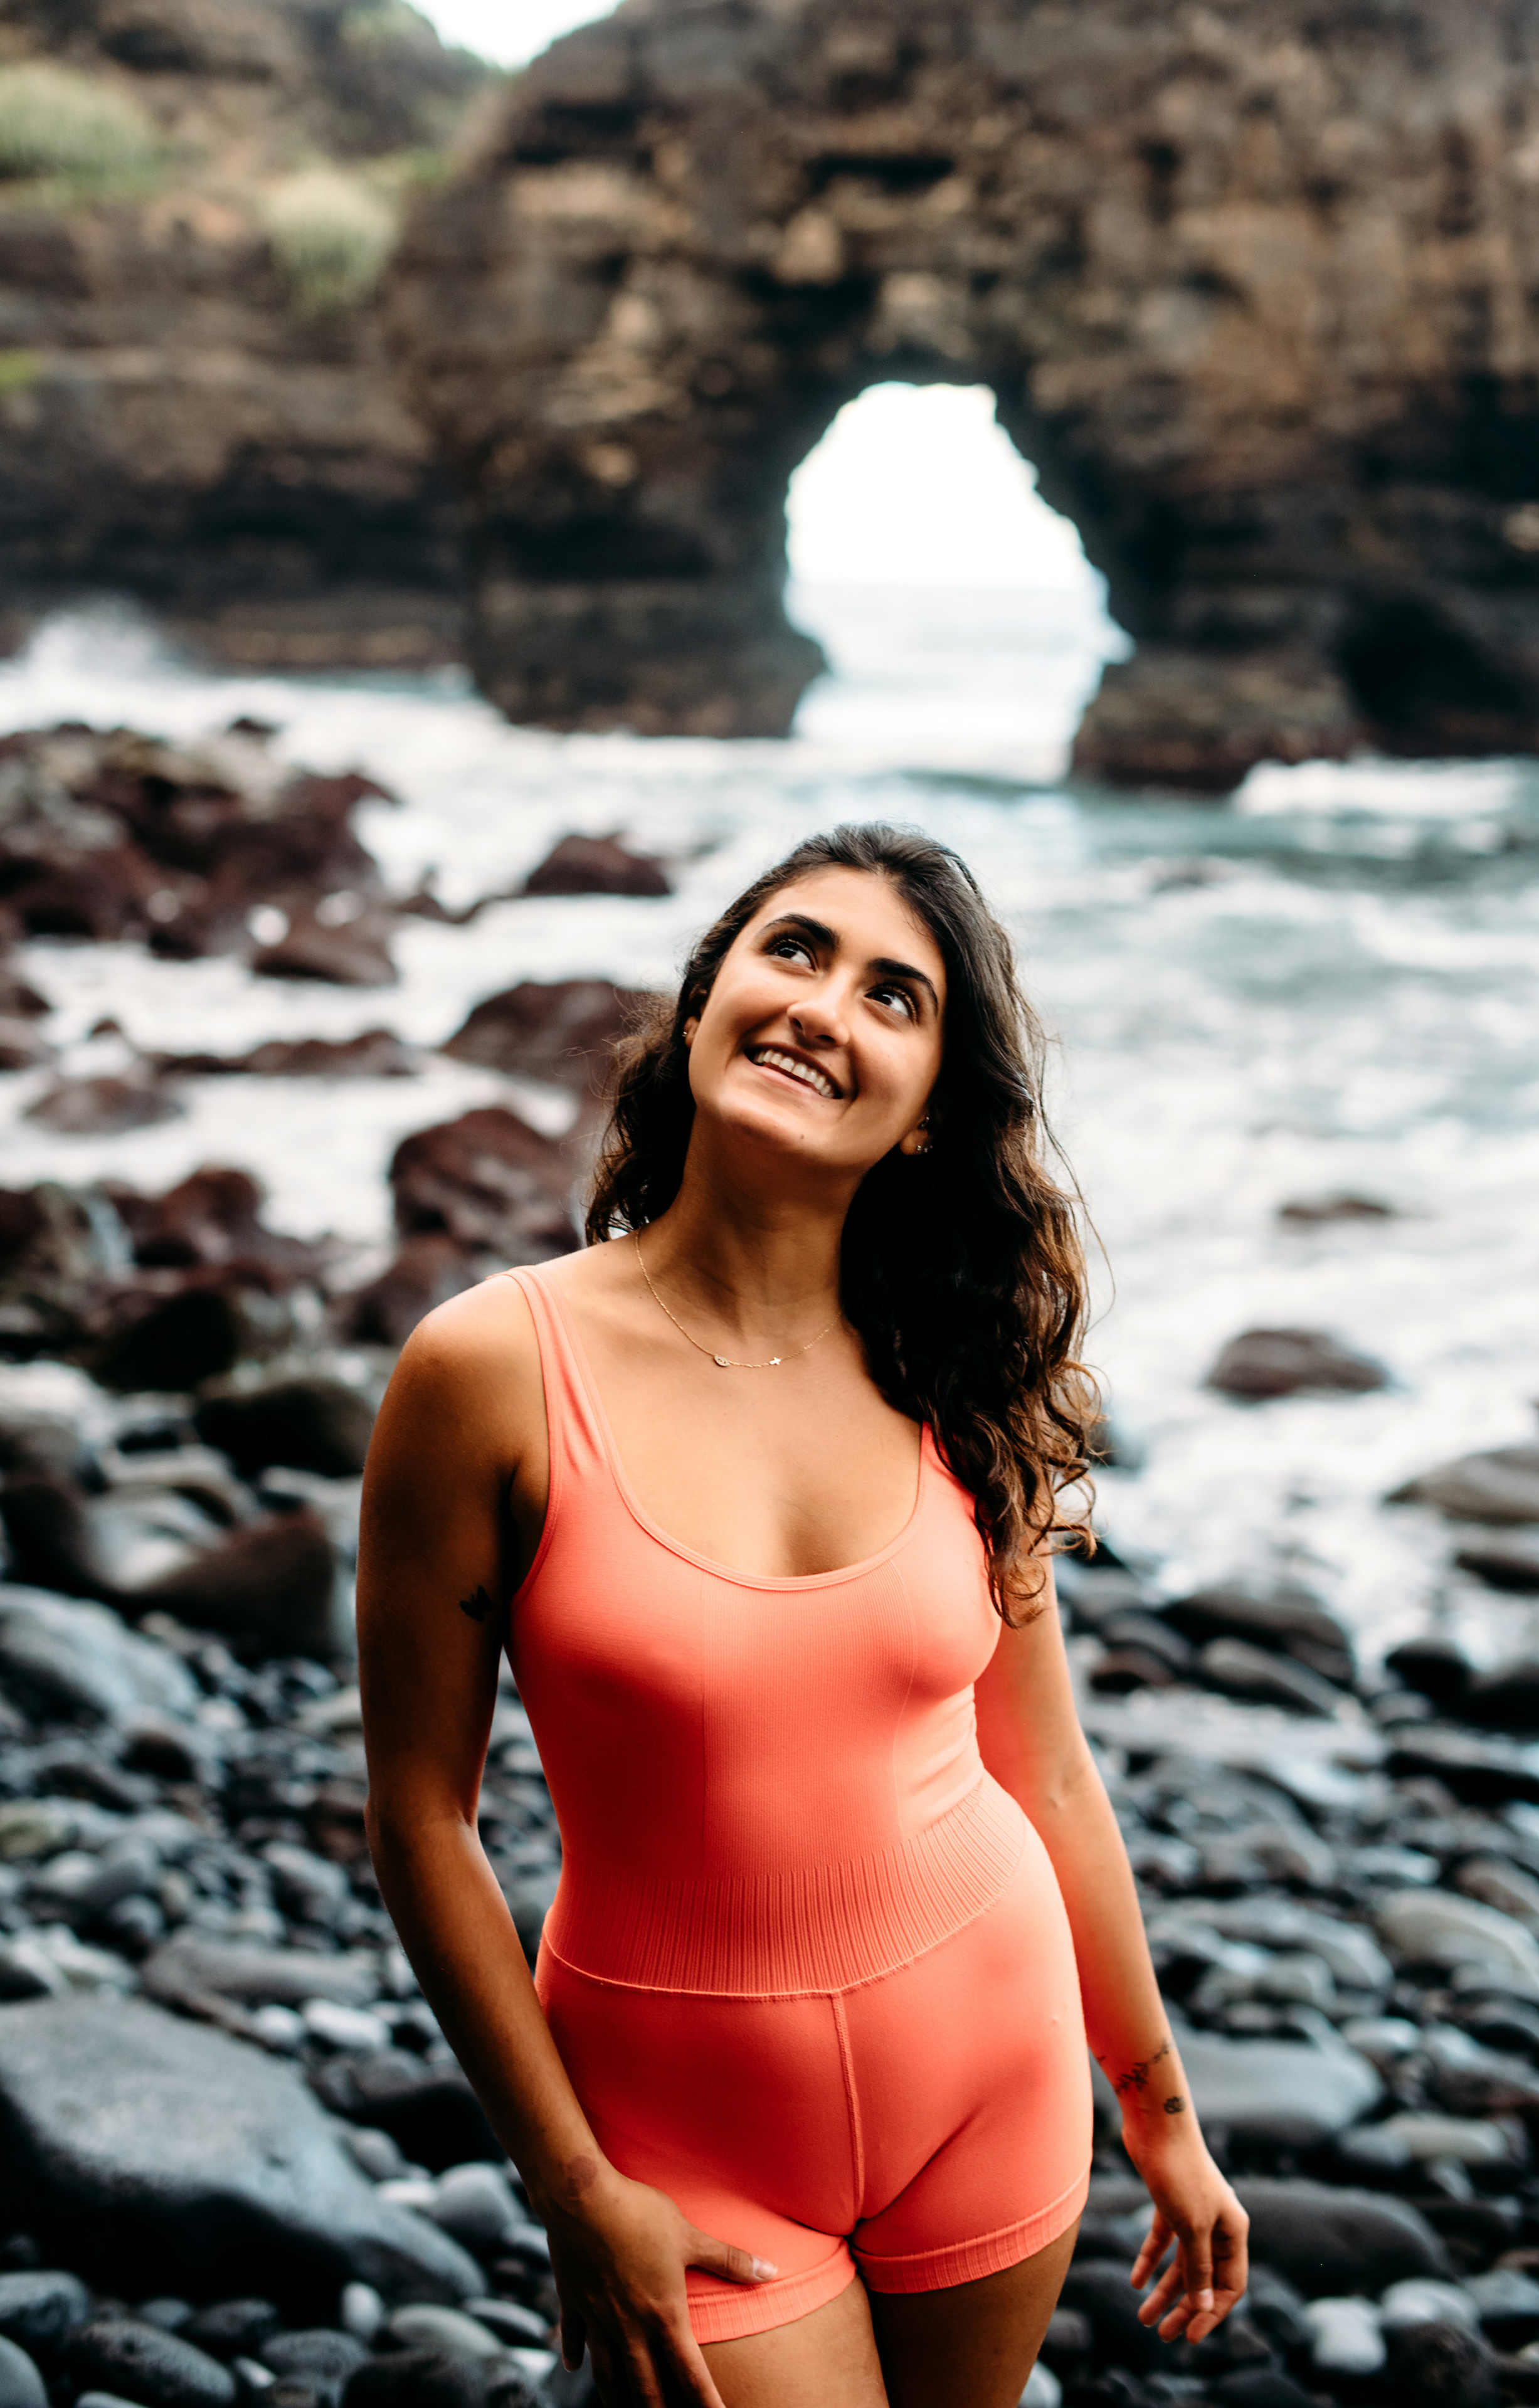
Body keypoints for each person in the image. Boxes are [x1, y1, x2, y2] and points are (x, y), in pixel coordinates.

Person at [357, 823, 1248, 2408]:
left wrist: (1162, 2120)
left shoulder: (961, 1374)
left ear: (922, 1120)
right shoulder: (488, 1371)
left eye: (892, 996)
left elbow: (1043, 1774)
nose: (822, 1008)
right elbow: (423, 1815)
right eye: (791, 950)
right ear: (703, 999)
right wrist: (571, 2188)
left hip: (993, 2069)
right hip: (681, 2131)